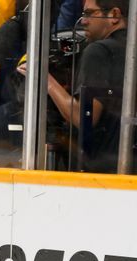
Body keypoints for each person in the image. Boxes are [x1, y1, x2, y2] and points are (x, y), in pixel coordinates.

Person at [34, 0, 129, 173]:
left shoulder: (98, 51)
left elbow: (83, 116)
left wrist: (44, 78)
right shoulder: (130, 49)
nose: (83, 21)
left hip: (99, 169)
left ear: (114, 15)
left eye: (89, 13)